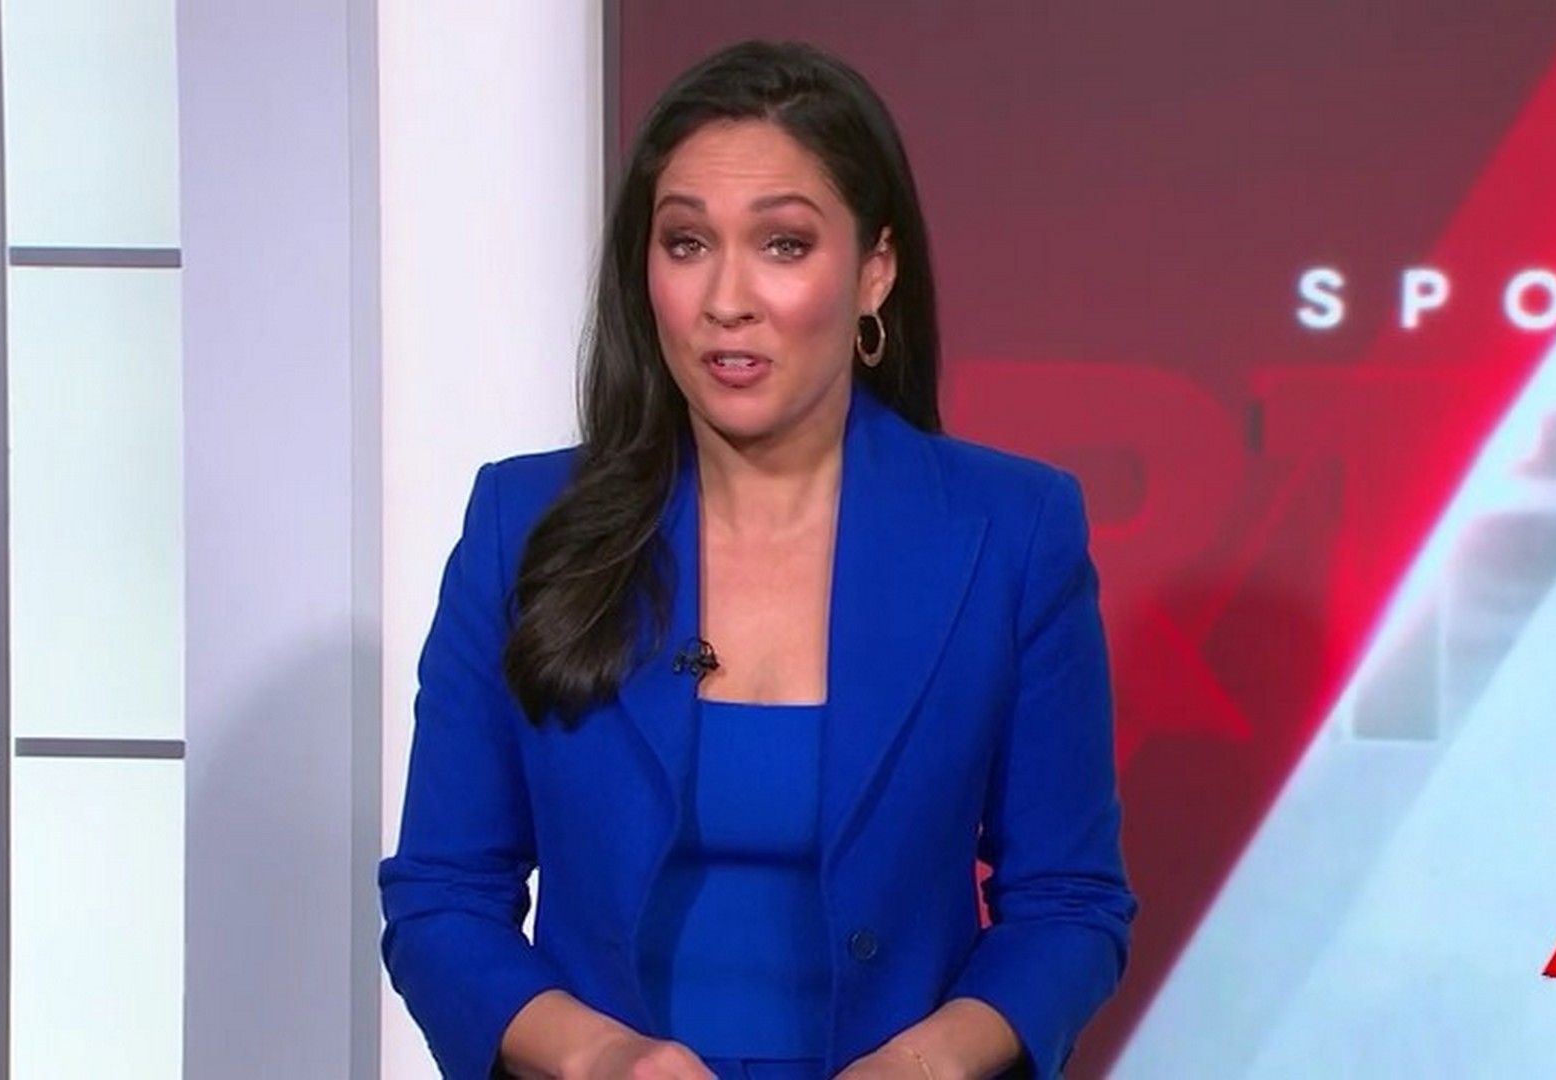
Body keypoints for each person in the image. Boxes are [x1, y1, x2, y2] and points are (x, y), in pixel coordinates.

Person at [379, 38, 1135, 1080]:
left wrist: (924, 1065)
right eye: (687, 243)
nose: (726, 298)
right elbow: (442, 899)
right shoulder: (522, 526)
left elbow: (1067, 905)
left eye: (782, 244)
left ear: (874, 271)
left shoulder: (1011, 534)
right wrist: (604, 1057)